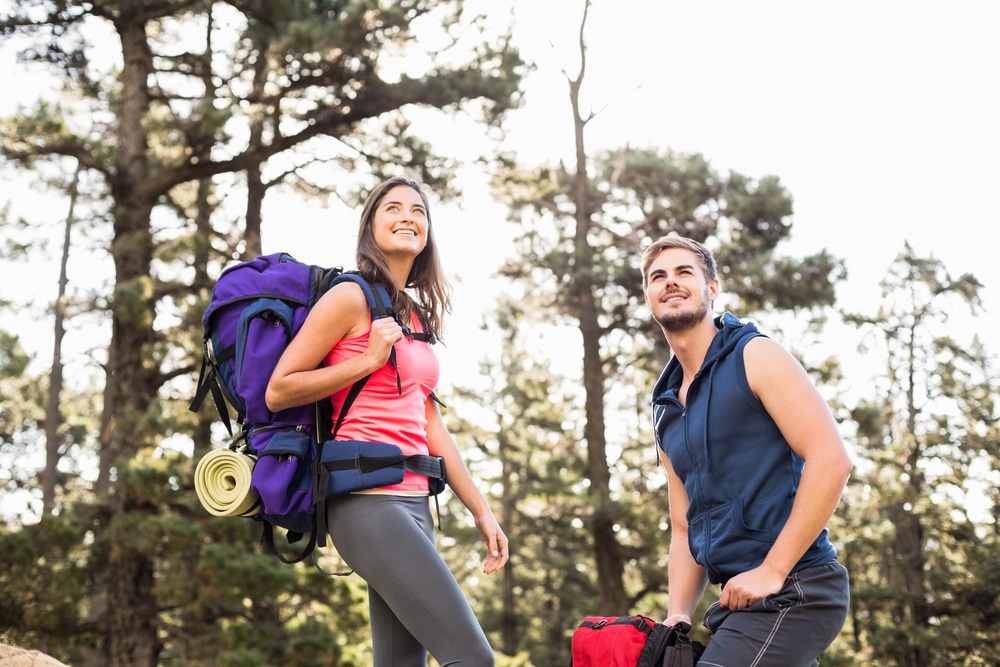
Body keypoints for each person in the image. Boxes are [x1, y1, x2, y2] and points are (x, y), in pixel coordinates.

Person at [266, 176, 507, 667]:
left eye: (418, 211)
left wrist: (481, 512)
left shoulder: (414, 316)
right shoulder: (348, 296)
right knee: (472, 659)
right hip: (366, 502)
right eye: (392, 208)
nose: (408, 217)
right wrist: (365, 360)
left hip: (417, 501)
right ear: (370, 228)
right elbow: (279, 389)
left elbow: (431, 425)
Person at [641, 235, 852, 666]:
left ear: (712, 288)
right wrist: (678, 613)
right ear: (648, 296)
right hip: (739, 601)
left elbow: (831, 460)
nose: (671, 282)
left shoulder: (755, 356)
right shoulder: (666, 412)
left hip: (798, 587)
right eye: (657, 277)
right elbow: (683, 527)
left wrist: (772, 570)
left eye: (685, 272)